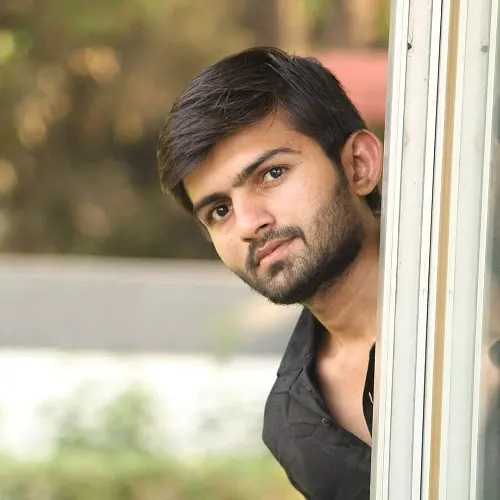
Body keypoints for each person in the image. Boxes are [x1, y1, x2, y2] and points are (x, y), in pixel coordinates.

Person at [157, 47, 383, 500]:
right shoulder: (293, 426)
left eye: (272, 173)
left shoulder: (481, 297)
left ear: (358, 164)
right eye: (220, 210)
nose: (248, 224)